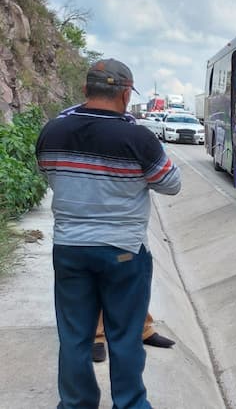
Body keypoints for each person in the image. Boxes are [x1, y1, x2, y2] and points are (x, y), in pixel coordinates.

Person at [36, 59, 181, 409]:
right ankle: (130, 404)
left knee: (74, 337)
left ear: (85, 90)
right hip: (123, 251)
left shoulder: (52, 131)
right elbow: (171, 184)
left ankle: (75, 404)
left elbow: (48, 173)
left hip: (70, 248)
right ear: (127, 93)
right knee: (125, 337)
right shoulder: (139, 138)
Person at [58, 101, 177, 364]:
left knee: (134, 281)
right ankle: (97, 337)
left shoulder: (126, 126)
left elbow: (167, 180)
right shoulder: (71, 123)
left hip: (125, 227)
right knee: (102, 281)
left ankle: (143, 328)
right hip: (89, 225)